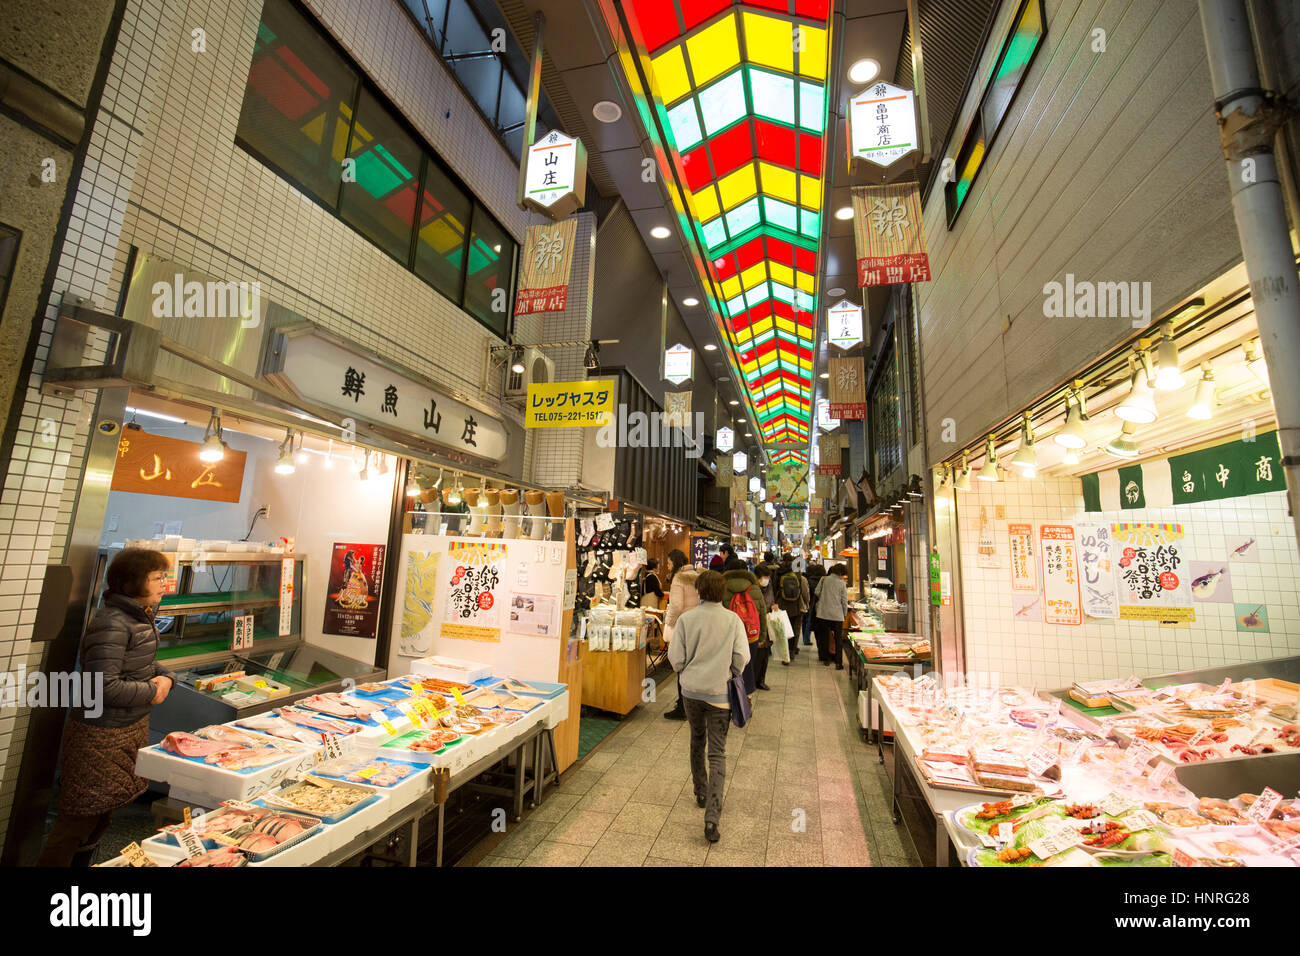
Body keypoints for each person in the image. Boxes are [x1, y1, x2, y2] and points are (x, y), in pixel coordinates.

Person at [37, 548, 177, 866]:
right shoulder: (113, 623)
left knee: (101, 818)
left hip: (126, 730)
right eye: (157, 578)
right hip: (101, 735)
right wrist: (150, 693)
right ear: (132, 582)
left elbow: (141, 665)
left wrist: (167, 678)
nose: (164, 585)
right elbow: (103, 686)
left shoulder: (138, 617)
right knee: (77, 822)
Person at [667, 570, 749, 844]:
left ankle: (700, 791)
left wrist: (688, 670)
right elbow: (742, 657)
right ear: (722, 591)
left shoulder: (687, 620)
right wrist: (729, 673)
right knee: (717, 752)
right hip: (719, 694)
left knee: (696, 739)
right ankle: (712, 819)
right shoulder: (733, 620)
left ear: (700, 591)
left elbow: (675, 660)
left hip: (691, 691)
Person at [722, 559, 768, 694]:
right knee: (747, 667)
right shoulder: (754, 588)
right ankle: (745, 700)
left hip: (728, 636)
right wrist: (762, 637)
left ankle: (728, 698)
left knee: (728, 668)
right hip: (750, 635)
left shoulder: (722, 587)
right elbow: (762, 614)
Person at [661, 550, 697, 721]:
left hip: (682, 627)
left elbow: (676, 606)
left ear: (674, 563)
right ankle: (690, 704)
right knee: (691, 666)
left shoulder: (678, 579)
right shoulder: (696, 575)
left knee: (680, 666)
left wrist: (668, 622)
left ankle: (682, 707)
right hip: (696, 625)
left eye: (668, 564)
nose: (668, 567)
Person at [813, 563, 849, 669]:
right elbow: (844, 600)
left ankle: (826, 659)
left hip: (823, 613)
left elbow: (817, 592)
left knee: (825, 637)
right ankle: (838, 662)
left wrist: (824, 598)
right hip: (837, 615)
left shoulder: (824, 579)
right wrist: (844, 613)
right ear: (841, 573)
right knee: (838, 639)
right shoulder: (841, 583)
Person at [775, 556, 809, 661]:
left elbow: (775, 588)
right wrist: (806, 603)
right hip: (796, 605)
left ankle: (785, 653)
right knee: (795, 629)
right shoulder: (798, 573)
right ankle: (792, 650)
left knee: (783, 630)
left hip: (782, 605)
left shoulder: (778, 572)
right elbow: (803, 591)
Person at [752, 564, 776, 690]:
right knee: (757, 656)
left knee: (765, 655)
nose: (766, 580)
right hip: (756, 624)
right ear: (757, 577)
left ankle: (761, 680)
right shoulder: (752, 589)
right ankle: (753, 681)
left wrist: (773, 606)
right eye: (764, 577)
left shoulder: (769, 586)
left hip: (767, 624)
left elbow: (771, 600)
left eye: (768, 577)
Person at [803, 560, 826, 648]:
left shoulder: (809, 579)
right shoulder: (822, 581)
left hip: (808, 602)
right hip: (815, 603)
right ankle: (807, 639)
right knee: (810, 620)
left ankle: (806, 638)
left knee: (806, 620)